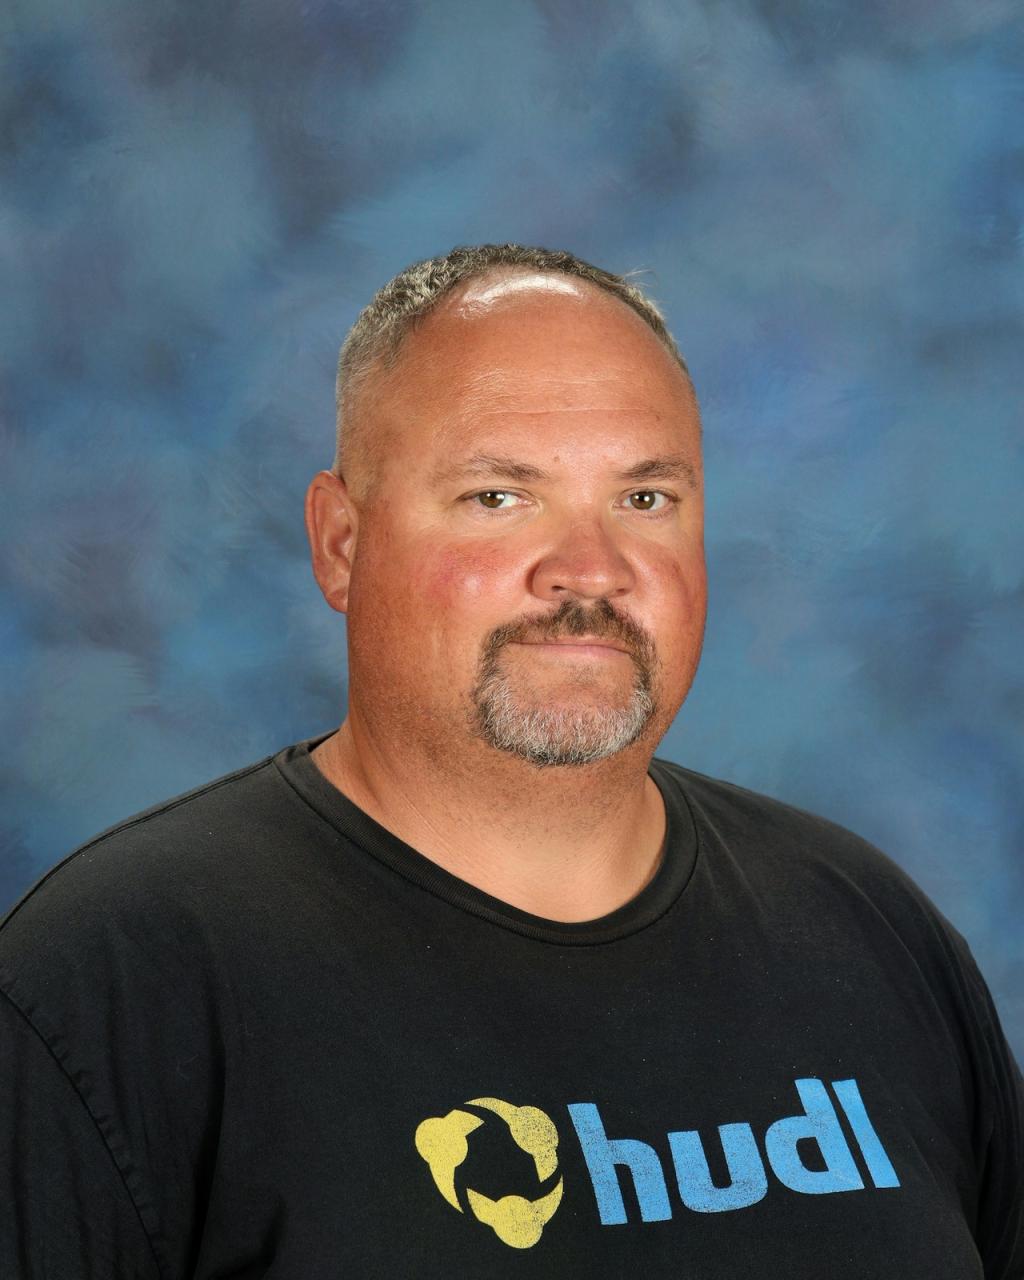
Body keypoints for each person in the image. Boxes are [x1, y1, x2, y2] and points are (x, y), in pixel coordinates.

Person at [0, 243, 1020, 1279]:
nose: (591, 569)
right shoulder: (118, 981)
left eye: (645, 499)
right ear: (340, 543)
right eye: (499, 496)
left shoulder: (869, 931)